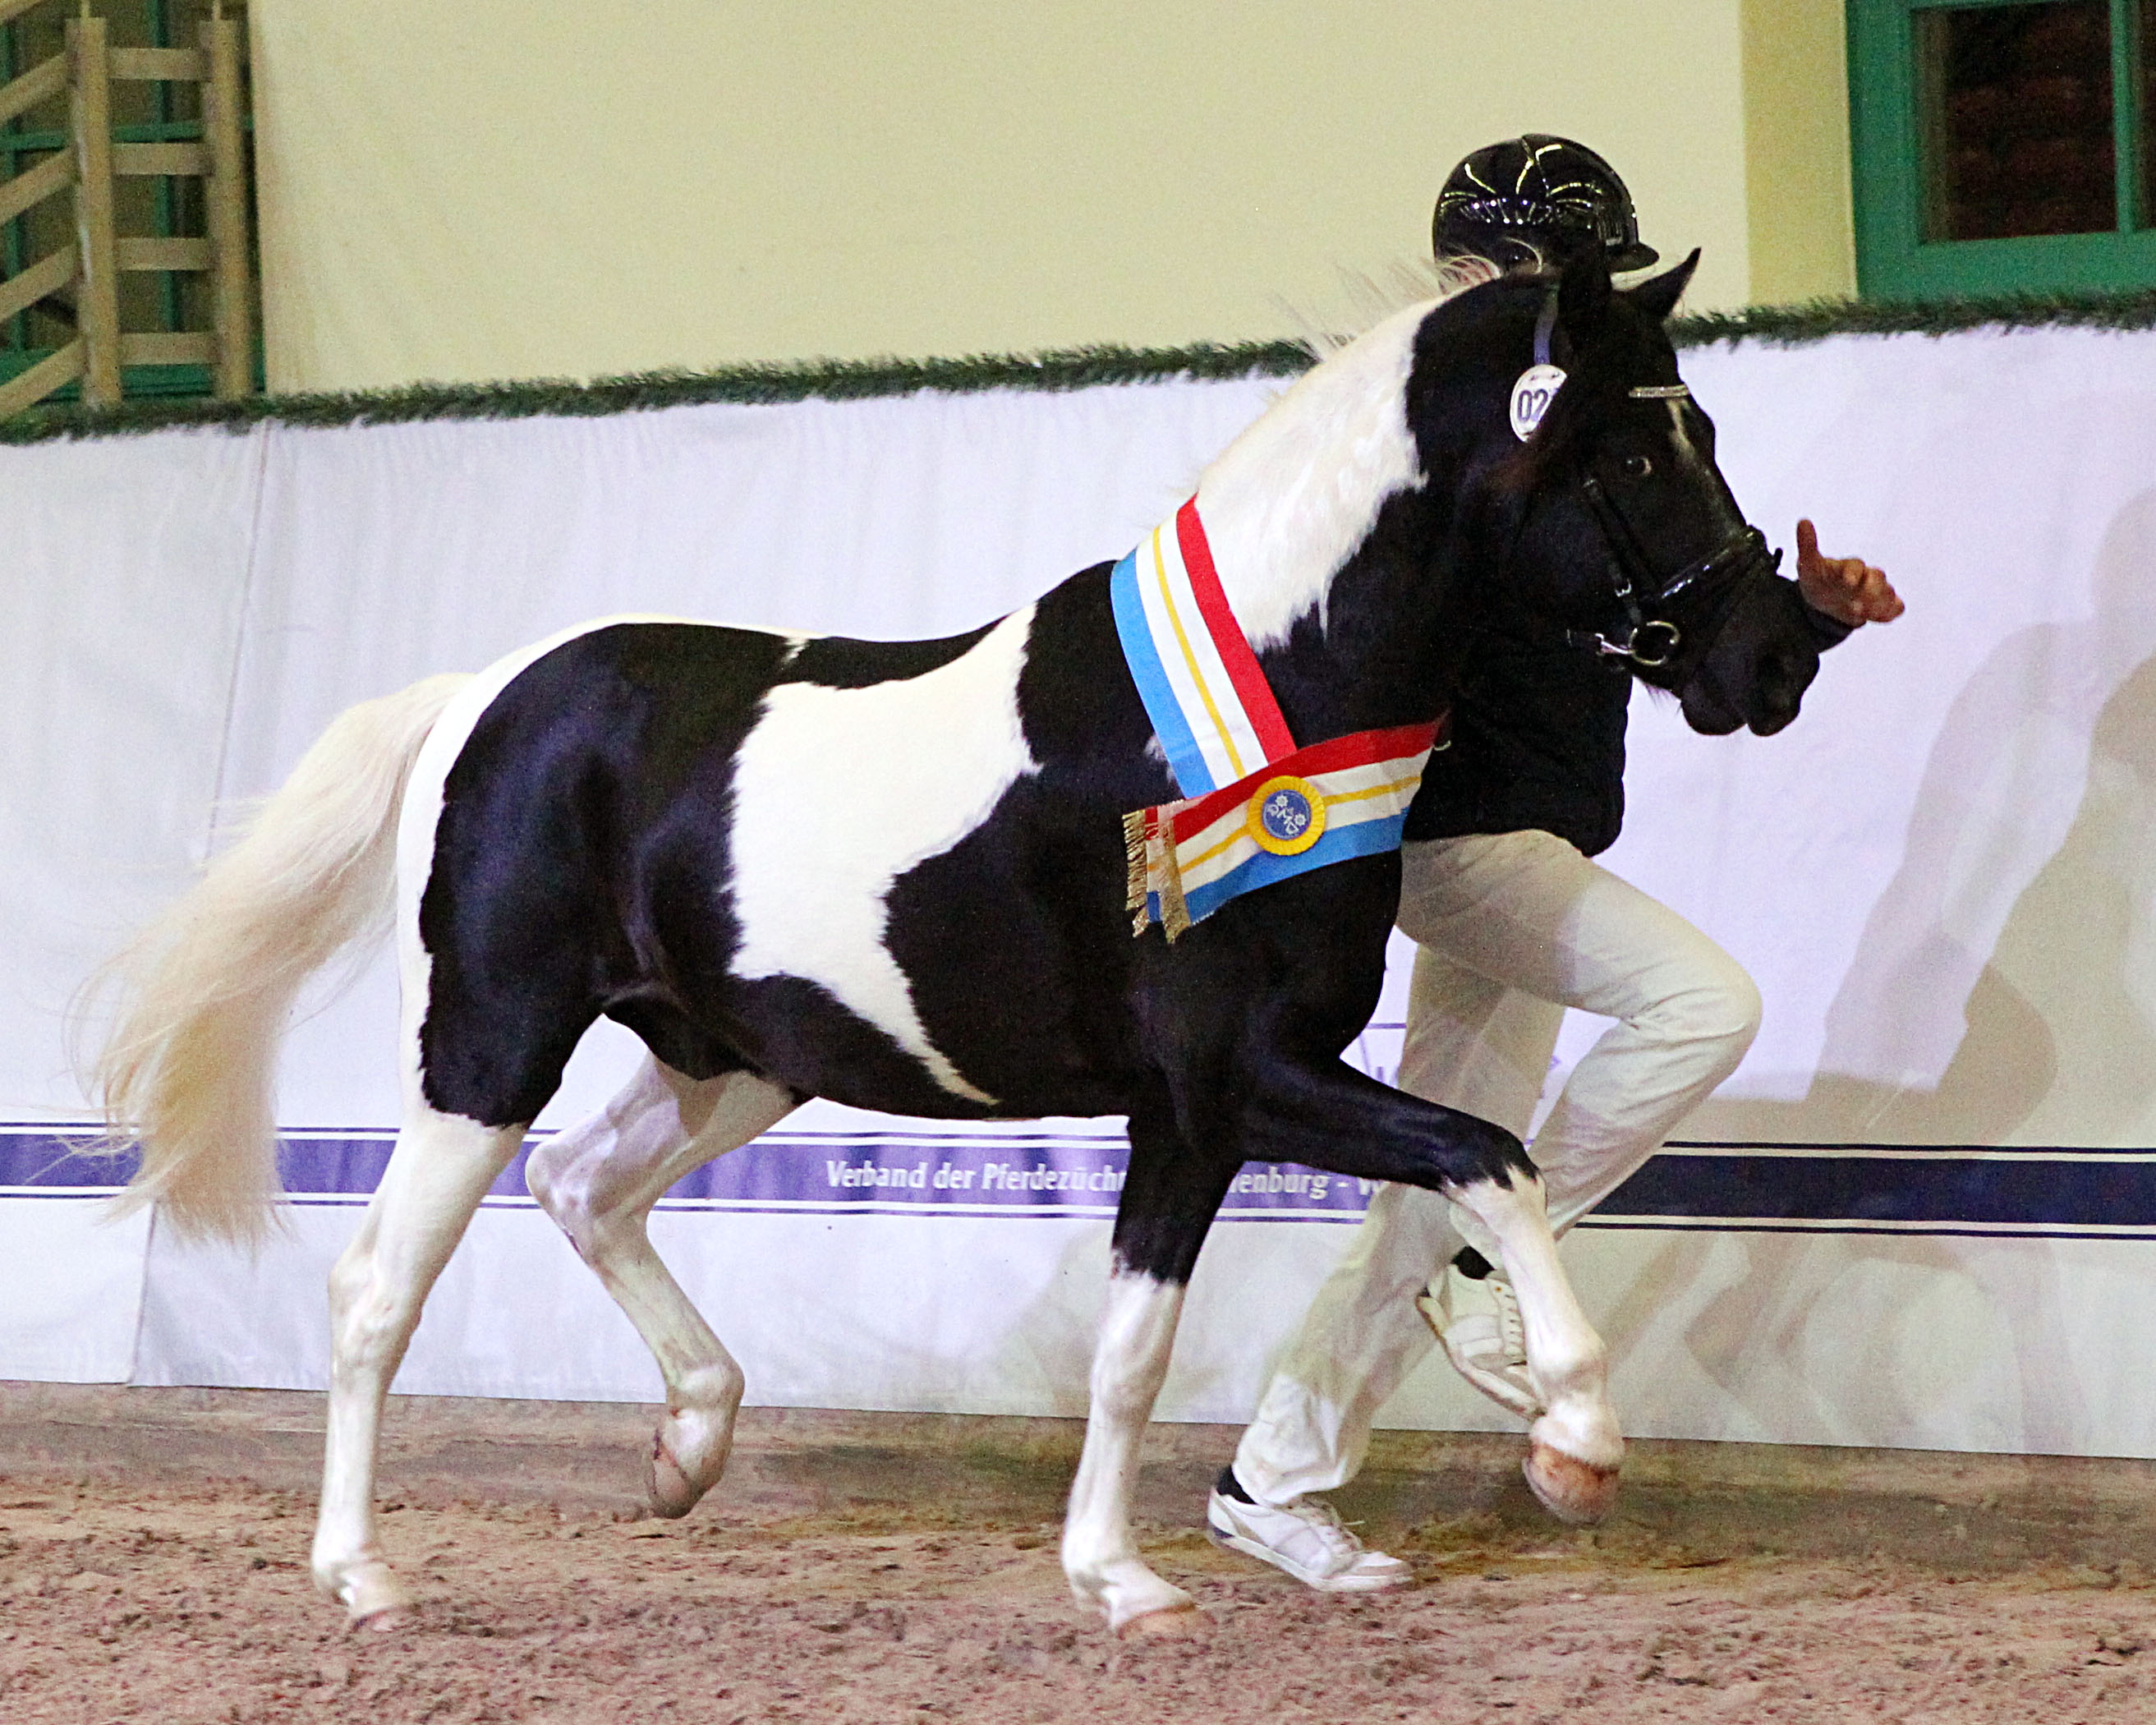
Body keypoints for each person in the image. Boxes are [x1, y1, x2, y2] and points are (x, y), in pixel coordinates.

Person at [1204, 136, 1906, 1592]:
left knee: (1429, 1181)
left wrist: (1803, 619)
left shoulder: (1568, 447)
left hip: (1525, 829)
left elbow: (1692, 662)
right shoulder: (1461, 462)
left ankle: (1271, 1476)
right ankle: (1486, 1279)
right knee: (1701, 1005)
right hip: (1451, 836)